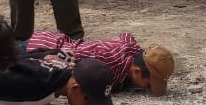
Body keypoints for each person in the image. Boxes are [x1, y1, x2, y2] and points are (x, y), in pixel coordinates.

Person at [25, 28, 175, 94]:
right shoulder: (105, 61)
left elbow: (126, 36)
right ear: (136, 71)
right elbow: (71, 54)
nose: (146, 89)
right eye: (148, 85)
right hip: (41, 46)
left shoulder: (133, 54)